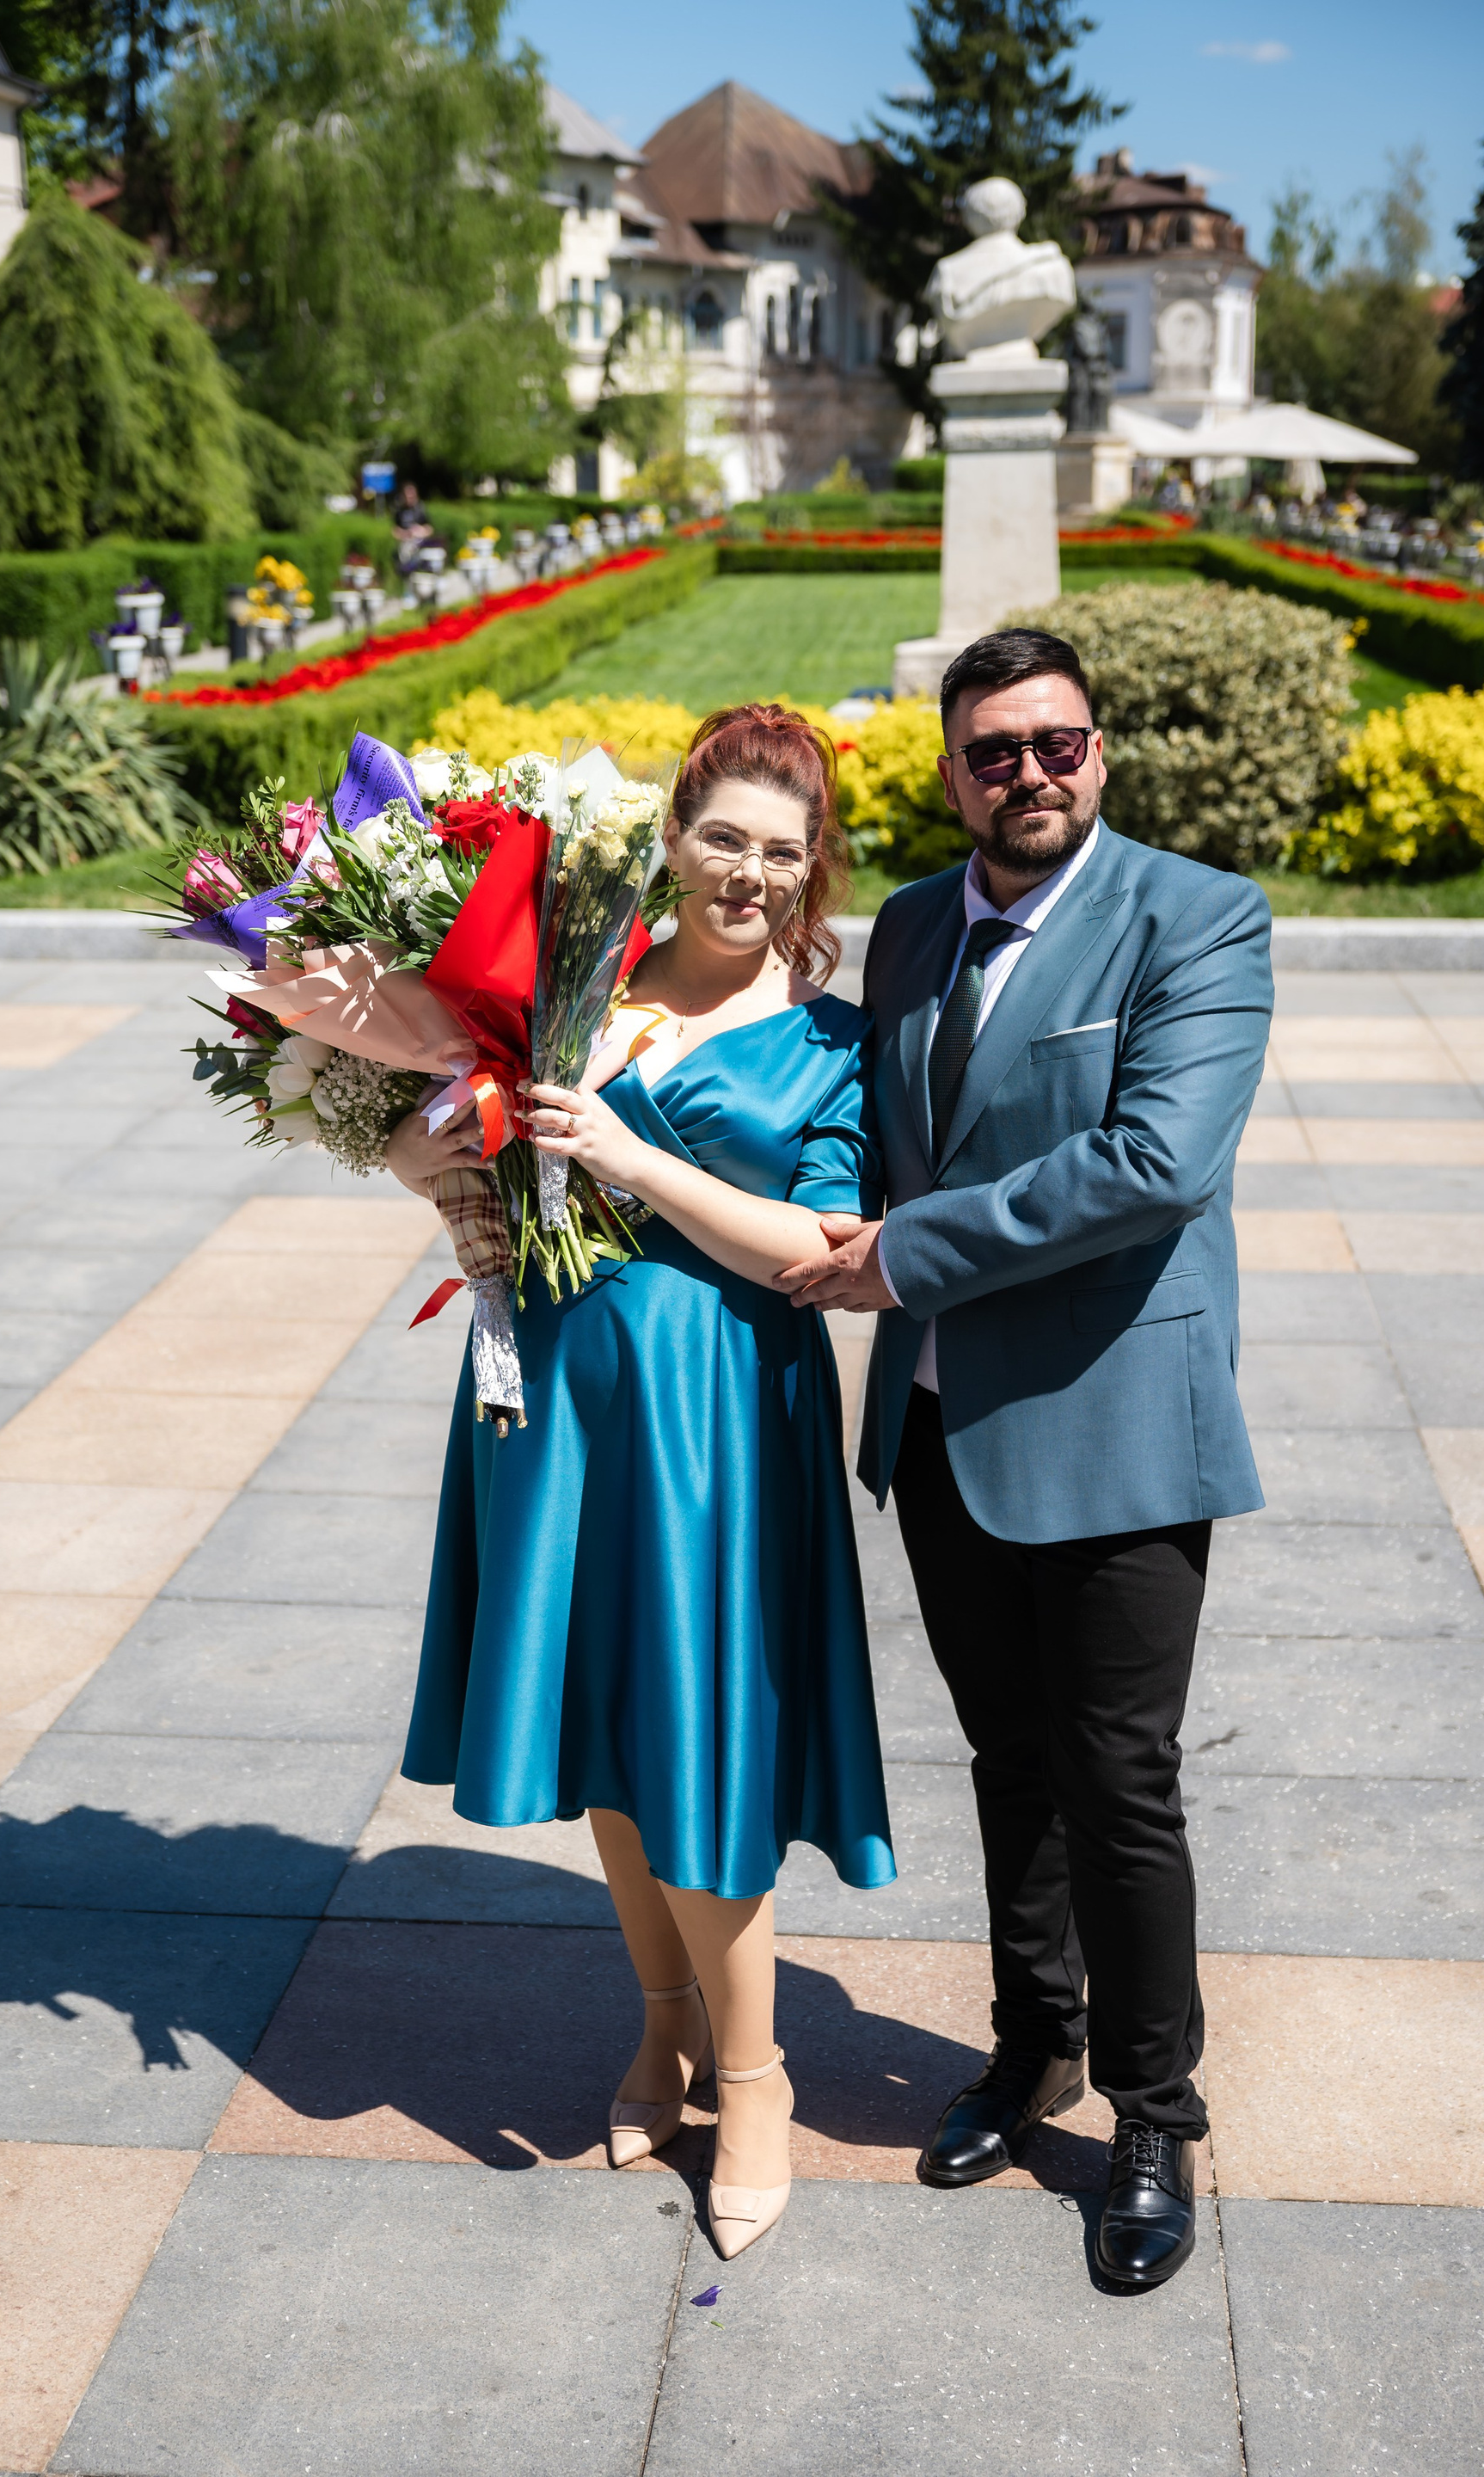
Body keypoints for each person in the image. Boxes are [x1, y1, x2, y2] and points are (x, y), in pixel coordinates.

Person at [778, 629, 1273, 2290]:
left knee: (1119, 1780)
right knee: (1009, 1761)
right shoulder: (918, 924)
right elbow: (855, 1123)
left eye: (1057, 744)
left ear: (1100, 752)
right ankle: (1033, 2042)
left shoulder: (1197, 917)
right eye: (995, 752)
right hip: (941, 1423)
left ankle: (1154, 2115)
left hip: (1118, 1419)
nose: (1031, 774)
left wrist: (906, 1253)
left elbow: (1156, 1164)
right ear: (951, 775)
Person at [389, 705, 894, 2260]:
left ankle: (757, 2081)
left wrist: (631, 1158)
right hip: (552, 1399)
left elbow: (819, 1252)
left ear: (813, 872)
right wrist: (429, 1157)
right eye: (722, 837)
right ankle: (665, 2022)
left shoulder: (832, 1042)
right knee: (608, 1722)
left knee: (701, 1740)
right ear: (671, 837)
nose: (747, 873)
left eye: (781, 852)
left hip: (713, 1424)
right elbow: (444, 1136)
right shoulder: (575, 979)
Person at [391, 481, 435, 576]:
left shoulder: (421, 509)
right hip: (404, 542)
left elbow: (430, 529)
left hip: (419, 542)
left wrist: (420, 530)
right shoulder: (400, 510)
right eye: (408, 494)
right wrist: (404, 533)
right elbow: (394, 529)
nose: (410, 497)